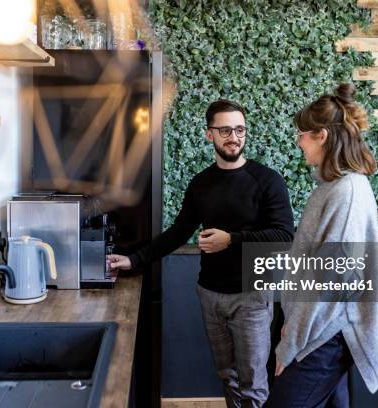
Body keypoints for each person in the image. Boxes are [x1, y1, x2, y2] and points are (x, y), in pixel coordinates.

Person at [108, 99, 295, 407]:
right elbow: (179, 231)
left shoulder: (267, 180)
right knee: (227, 374)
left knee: (252, 382)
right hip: (209, 293)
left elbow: (284, 236)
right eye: (224, 130)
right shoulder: (201, 183)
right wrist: (133, 259)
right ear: (210, 134)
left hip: (252, 294)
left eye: (239, 129)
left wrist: (231, 240)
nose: (233, 137)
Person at [265, 83, 378, 408]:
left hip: (326, 335)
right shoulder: (334, 187)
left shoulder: (346, 194)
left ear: (322, 135)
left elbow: (328, 285)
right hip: (322, 328)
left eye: (302, 134)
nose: (298, 141)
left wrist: (290, 343)